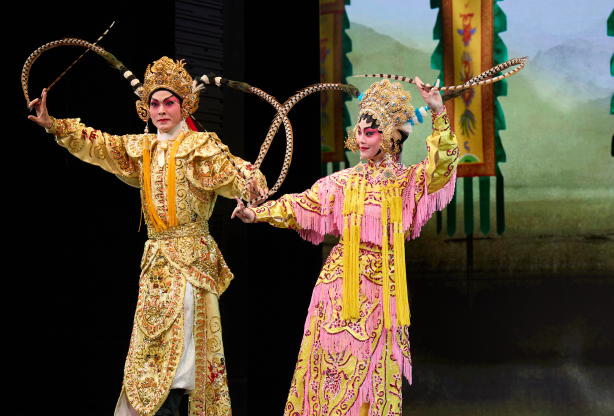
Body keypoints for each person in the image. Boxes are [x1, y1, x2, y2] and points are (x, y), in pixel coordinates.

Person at [28, 57, 266, 416]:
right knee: (148, 353)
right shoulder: (142, 149)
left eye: (169, 103)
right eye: (154, 104)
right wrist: (54, 124)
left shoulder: (201, 147)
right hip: (156, 265)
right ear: (146, 108)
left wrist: (253, 184)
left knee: (186, 355)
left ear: (184, 106)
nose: (161, 110)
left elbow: (239, 172)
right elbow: (99, 144)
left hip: (191, 266)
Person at [232, 77, 458, 416]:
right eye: (360, 132)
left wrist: (438, 112)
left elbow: (442, 166)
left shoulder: (408, 182)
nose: (362, 139)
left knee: (372, 376)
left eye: (371, 133)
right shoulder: (342, 182)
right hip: (337, 291)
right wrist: (256, 214)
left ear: (391, 136)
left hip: (382, 293)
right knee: (328, 372)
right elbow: (299, 205)